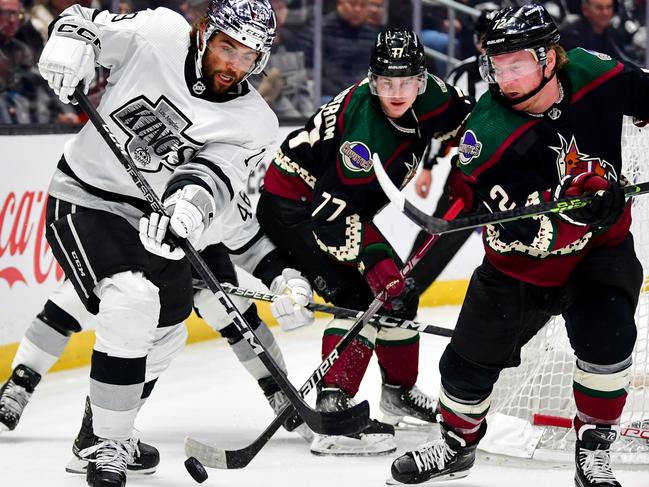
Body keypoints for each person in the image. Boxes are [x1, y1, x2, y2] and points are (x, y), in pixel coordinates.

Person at [389, 4, 648, 486]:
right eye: (497, 66)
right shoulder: (486, 135)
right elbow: (516, 230)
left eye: (518, 64)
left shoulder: (593, 72)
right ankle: (455, 446)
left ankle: (593, 452)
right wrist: (573, 206)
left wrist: (595, 208)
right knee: (465, 368)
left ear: (550, 58)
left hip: (599, 253)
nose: (504, 78)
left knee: (610, 341)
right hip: (520, 268)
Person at [35, 1, 282, 485]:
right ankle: (106, 446)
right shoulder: (160, 31)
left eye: (249, 55)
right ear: (205, 32)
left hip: (153, 219)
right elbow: (86, 22)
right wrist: (71, 44)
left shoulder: (256, 121)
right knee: (132, 299)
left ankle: (100, 432)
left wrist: (188, 208)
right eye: (228, 46)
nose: (235, 64)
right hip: (87, 196)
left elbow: (216, 173)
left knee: (168, 329)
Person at [256, 28, 472, 456]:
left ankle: (398, 392)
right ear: (373, 81)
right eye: (386, 82)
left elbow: (473, 121)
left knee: (401, 295)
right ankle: (334, 405)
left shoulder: (435, 95)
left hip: (341, 207)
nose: (397, 92)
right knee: (360, 297)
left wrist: (473, 166)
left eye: (406, 81)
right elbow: (331, 217)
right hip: (297, 208)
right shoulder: (364, 137)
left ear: (422, 80)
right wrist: (375, 262)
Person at [0, 191, 314, 474]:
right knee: (81, 301)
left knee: (224, 309)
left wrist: (283, 280)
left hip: (197, 249)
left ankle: (278, 391)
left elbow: (251, 243)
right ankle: (20, 385)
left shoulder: (224, 176)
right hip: (134, 236)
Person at [407, 4, 498, 295]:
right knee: (438, 236)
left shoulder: (523, 73)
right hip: (469, 176)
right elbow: (441, 122)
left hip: (517, 176)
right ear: (475, 40)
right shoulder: (462, 74)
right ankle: (404, 290)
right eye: (485, 37)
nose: (490, 44)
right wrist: (428, 169)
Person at [559, 0, 633, 62]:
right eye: (599, 8)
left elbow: (623, 60)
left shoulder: (612, 32)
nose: (605, 13)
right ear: (585, 9)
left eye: (609, 7)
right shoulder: (572, 33)